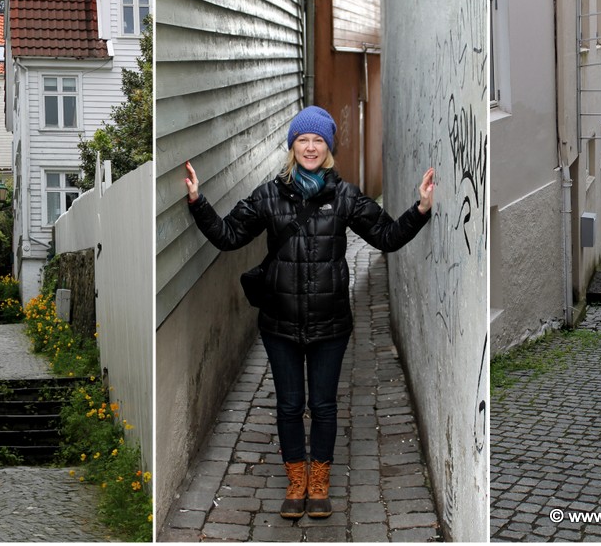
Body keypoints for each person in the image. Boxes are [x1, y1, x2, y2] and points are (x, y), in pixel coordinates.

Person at [184, 105, 434, 520]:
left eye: (319, 140)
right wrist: (197, 201)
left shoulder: (346, 197)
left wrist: (421, 209)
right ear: (292, 146)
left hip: (330, 323)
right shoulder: (269, 195)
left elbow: (387, 236)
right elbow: (228, 236)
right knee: (287, 405)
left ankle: (318, 484)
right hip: (279, 323)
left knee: (322, 406)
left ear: (329, 148)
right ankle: (295, 480)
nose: (311, 147)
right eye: (304, 139)